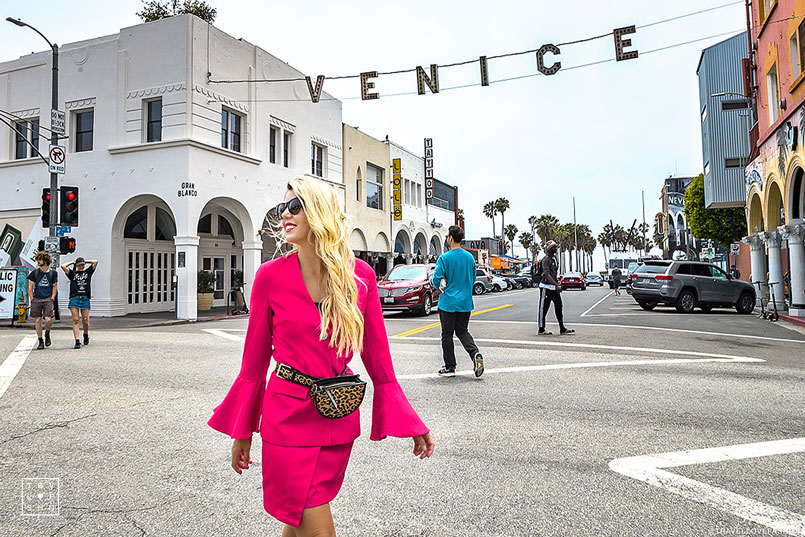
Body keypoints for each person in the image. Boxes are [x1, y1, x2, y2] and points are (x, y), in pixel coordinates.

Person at [207, 176, 434, 536]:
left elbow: (378, 357)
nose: (286, 214)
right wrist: (243, 431)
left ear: (321, 212)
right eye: (284, 207)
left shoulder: (360, 276)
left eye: (296, 206)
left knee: (299, 512)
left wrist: (409, 421)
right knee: (308, 506)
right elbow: (253, 364)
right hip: (286, 413)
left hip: (337, 412)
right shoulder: (269, 276)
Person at [429, 225, 484, 378]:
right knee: (462, 331)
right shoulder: (469, 258)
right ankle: (475, 354)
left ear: (451, 238)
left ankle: (450, 366)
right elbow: (472, 279)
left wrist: (440, 285)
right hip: (465, 302)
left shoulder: (444, 258)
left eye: (447, 237)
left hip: (448, 303)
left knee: (447, 334)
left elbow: (436, 279)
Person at [61, 257, 99, 349]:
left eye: (82, 265)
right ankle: (77, 340)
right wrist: (72, 262)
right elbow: (63, 266)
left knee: (85, 320)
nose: (81, 267)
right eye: (79, 265)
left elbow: (95, 262)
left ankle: (85, 334)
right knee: (76, 320)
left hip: (85, 298)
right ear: (76, 266)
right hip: (75, 298)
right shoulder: (72, 274)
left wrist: (85, 261)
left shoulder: (88, 272)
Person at [538, 240, 574, 336]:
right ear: (549, 249)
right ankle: (541, 329)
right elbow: (546, 274)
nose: (556, 249)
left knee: (559, 307)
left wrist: (557, 282)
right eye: (554, 247)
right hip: (546, 288)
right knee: (543, 309)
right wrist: (556, 285)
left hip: (553, 288)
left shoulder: (554, 259)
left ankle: (562, 328)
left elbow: (553, 274)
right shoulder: (546, 259)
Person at [27, 251, 58, 350]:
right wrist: (32, 298)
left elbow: (54, 286)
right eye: (37, 259)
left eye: (40, 259)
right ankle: (40, 340)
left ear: (45, 260)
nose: (38, 261)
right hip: (37, 298)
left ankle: (47, 334)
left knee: (48, 319)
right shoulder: (35, 272)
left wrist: (52, 298)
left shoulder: (53, 273)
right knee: (38, 319)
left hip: (48, 298)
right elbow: (30, 286)